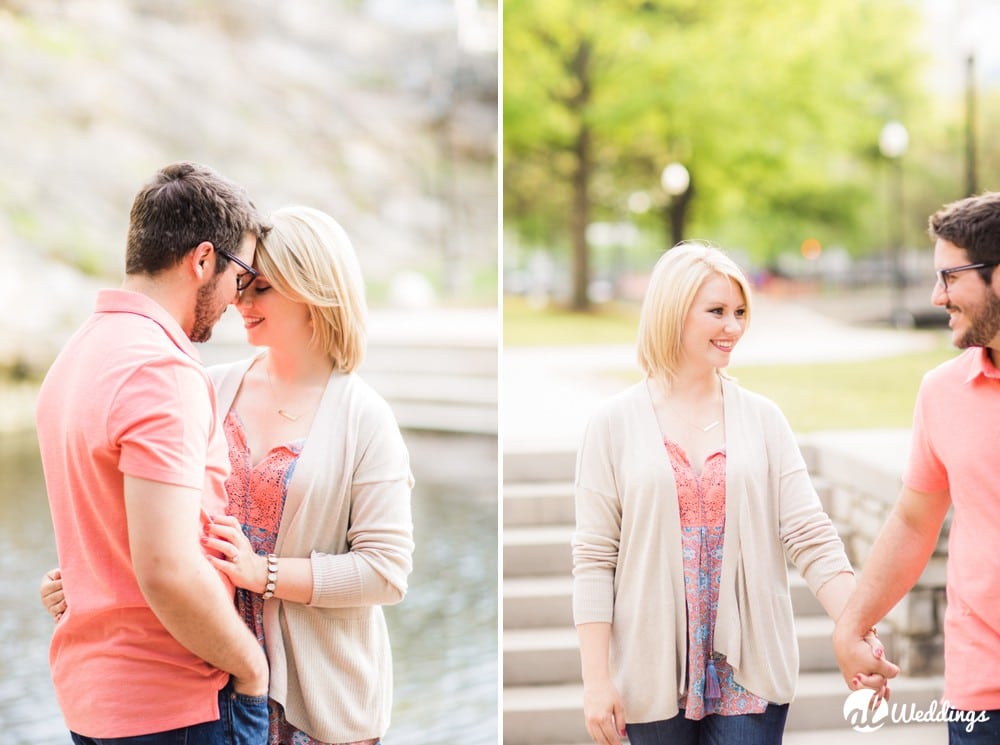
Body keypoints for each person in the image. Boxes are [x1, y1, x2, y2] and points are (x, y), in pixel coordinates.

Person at [43, 205, 415, 745]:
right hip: (210, 690)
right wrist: (87, 574)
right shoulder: (205, 385)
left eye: (260, 287)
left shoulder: (365, 418)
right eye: (242, 282)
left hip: (321, 703)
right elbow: (154, 528)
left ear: (312, 293)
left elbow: (385, 572)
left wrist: (262, 573)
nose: (239, 299)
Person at [572, 242, 890, 745]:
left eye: (740, 312)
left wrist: (857, 629)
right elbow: (594, 558)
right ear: (673, 313)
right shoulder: (612, 424)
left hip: (750, 675)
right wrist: (596, 681)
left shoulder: (763, 419)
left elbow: (809, 534)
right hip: (649, 675)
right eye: (717, 311)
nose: (734, 327)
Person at [35, 161, 273, 744]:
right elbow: (166, 569)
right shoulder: (160, 370)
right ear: (201, 260)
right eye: (239, 274)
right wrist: (250, 664)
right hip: (171, 704)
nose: (237, 300)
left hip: (94, 698)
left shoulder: (79, 354)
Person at [833, 192, 1000, 743]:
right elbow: (913, 520)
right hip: (983, 690)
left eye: (950, 277)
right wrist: (853, 625)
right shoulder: (942, 392)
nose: (936, 296)